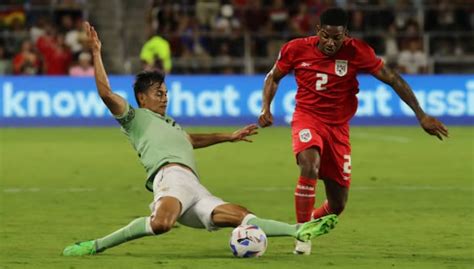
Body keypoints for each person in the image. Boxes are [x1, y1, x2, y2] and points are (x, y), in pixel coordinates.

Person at [62, 22, 338, 257]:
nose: (165, 97)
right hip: (169, 177)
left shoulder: (171, 125)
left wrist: (228, 137)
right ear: (142, 98)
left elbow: (190, 140)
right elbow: (107, 94)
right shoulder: (134, 119)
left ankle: (298, 229)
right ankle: (95, 246)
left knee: (240, 215)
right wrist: (97, 52)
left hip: (194, 186)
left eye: (166, 92)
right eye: (159, 93)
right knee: (160, 224)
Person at [257, 8, 449, 255]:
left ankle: (306, 223)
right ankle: (302, 233)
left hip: (338, 128)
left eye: (336, 38)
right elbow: (273, 77)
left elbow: (392, 78)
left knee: (337, 205)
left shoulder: (357, 51)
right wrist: (265, 107)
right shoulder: (295, 48)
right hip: (308, 118)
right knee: (309, 164)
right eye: (326, 36)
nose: (330, 43)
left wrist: (420, 114)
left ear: (345, 34)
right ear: (318, 31)